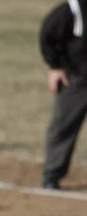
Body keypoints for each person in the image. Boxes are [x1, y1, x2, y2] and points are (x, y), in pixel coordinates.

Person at [40, 0, 87, 189]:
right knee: (63, 126)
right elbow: (48, 35)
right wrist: (56, 66)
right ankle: (52, 174)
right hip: (78, 79)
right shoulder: (73, 9)